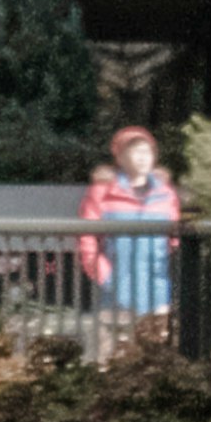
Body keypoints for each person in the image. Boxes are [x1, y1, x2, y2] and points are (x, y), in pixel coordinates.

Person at [79, 118, 181, 337]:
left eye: (147, 151)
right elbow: (87, 238)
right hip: (116, 292)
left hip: (158, 293)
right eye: (135, 151)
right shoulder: (102, 192)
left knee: (157, 355)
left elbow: (174, 237)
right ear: (121, 157)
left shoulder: (166, 193)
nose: (143, 157)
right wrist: (105, 276)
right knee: (114, 358)